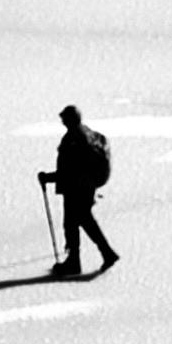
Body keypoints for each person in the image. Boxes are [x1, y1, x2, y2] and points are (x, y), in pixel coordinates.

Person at [40, 105, 118, 278]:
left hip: (77, 188)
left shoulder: (75, 139)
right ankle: (100, 254)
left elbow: (70, 171)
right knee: (81, 222)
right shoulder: (85, 133)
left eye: (64, 118)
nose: (62, 121)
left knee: (75, 223)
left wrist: (49, 178)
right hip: (83, 187)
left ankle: (78, 261)